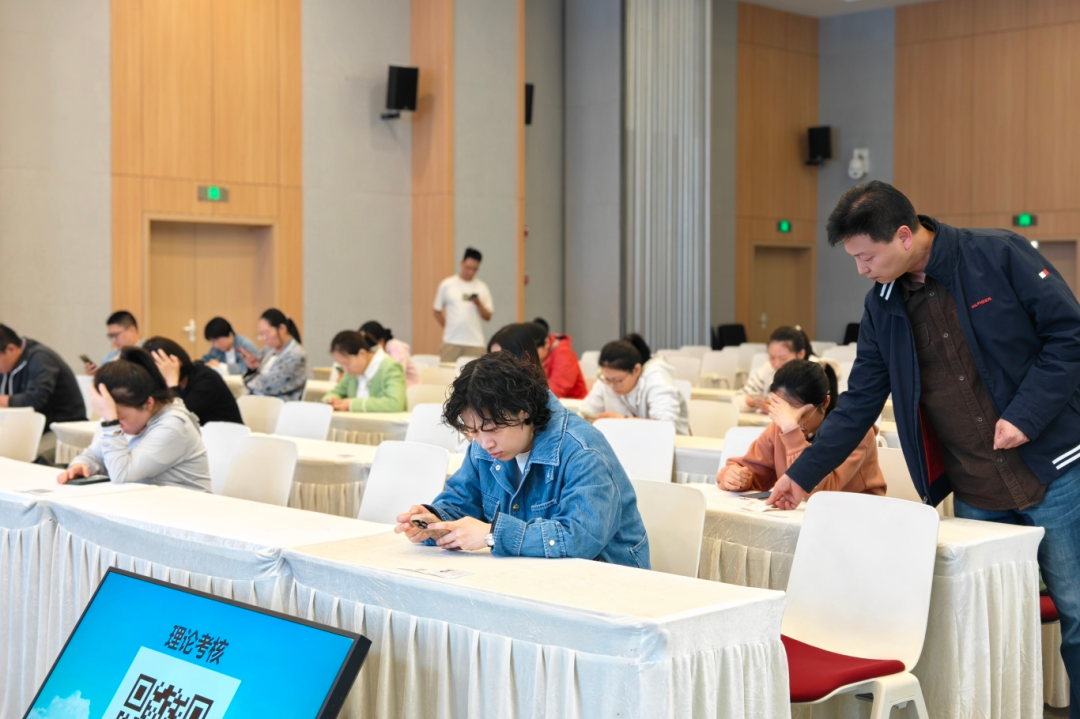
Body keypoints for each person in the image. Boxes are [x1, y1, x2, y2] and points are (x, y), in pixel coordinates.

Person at [765, 181, 1080, 713]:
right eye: (855, 259)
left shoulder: (997, 255)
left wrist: (1025, 416)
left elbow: (1069, 337)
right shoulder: (882, 305)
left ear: (905, 236)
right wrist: (801, 476)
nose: (861, 269)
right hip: (976, 486)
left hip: (1052, 470)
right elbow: (860, 402)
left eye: (867, 256)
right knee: (989, 628)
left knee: (1076, 613)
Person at [393, 352, 650, 568]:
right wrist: (435, 521)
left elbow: (580, 538)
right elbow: (462, 501)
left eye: (493, 429)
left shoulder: (583, 451)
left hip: (607, 585)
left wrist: (492, 535)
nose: (484, 443)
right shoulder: (485, 445)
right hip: (532, 575)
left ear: (524, 410)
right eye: (473, 431)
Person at [717, 359, 884, 496]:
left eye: (799, 414)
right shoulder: (781, 426)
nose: (792, 421)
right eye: (784, 412)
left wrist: (792, 432)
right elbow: (753, 472)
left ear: (825, 402)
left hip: (856, 516)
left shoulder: (855, 433)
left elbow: (818, 493)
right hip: (800, 516)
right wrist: (735, 477)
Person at [58, 348, 210, 491]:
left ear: (148, 403)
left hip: (185, 507)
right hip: (146, 504)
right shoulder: (133, 420)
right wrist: (82, 466)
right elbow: (94, 455)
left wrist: (112, 422)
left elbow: (121, 475)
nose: (118, 425)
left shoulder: (174, 425)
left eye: (120, 418)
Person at [0, 324, 86, 460]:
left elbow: (35, 399)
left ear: (11, 349)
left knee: (30, 458)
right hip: (33, 427)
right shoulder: (8, 366)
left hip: (63, 427)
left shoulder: (40, 358)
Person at [580, 334, 690, 435]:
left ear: (637, 370)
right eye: (607, 379)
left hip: (672, 445)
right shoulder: (607, 379)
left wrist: (620, 420)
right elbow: (585, 412)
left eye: (618, 380)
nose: (612, 385)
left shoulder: (657, 379)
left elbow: (665, 427)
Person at [735, 326, 839, 413]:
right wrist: (753, 402)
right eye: (772, 357)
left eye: (783, 358)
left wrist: (779, 409)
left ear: (801, 354)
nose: (776, 364)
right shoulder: (768, 368)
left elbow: (816, 412)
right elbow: (737, 399)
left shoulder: (816, 372)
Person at [145, 337, 243, 426]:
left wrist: (172, 382)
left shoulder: (206, 379)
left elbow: (179, 420)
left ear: (177, 362)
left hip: (227, 436)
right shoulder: (162, 383)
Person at [433, 247, 493, 363]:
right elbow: (436, 311)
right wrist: (448, 326)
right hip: (451, 341)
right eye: (468, 268)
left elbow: (488, 316)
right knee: (446, 372)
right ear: (462, 264)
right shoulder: (447, 284)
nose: (470, 272)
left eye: (475, 269)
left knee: (476, 373)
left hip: (475, 342)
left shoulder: (482, 287)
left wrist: (479, 304)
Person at [323, 331, 407, 412]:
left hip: (383, 422)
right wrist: (332, 401)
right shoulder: (351, 373)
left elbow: (395, 403)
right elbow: (334, 393)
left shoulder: (390, 367)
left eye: (347, 363)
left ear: (362, 354)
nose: (345, 369)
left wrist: (351, 405)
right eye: (342, 365)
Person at [241, 309, 308, 401]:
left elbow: (270, 386)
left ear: (282, 329)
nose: (264, 338)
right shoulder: (268, 350)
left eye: (266, 333)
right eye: (261, 335)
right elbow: (253, 379)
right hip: (259, 400)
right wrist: (252, 369)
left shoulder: (296, 354)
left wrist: (249, 381)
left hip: (280, 404)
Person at [533, 318, 588, 399]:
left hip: (573, 403)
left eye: (534, 350)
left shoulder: (564, 354)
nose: (532, 354)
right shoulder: (545, 353)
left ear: (546, 343)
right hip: (556, 401)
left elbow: (557, 390)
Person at [359, 320, 419, 387]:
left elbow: (395, 374)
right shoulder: (382, 351)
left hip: (409, 390)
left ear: (381, 341)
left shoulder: (397, 348)